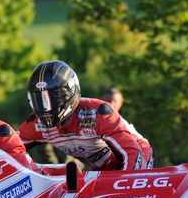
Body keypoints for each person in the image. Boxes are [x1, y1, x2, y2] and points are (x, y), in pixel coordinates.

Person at [19, 60, 154, 171]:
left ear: (68, 93)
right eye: (39, 100)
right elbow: (8, 146)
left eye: (50, 99)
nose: (44, 107)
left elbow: (133, 153)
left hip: (138, 153)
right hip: (101, 169)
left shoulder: (99, 113)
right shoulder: (36, 124)